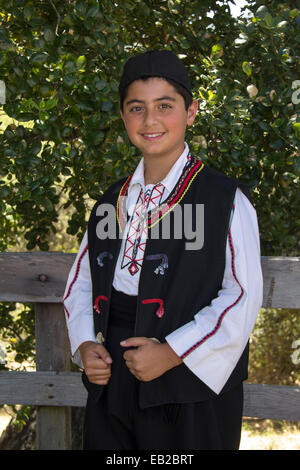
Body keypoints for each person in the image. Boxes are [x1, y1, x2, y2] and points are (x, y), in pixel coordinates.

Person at [63, 50, 263, 450]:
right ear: (123, 117)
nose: (150, 120)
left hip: (190, 380)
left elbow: (241, 296)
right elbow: (82, 281)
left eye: (165, 106)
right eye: (137, 108)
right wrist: (85, 343)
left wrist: (171, 352)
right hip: (113, 369)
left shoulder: (224, 199)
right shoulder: (111, 201)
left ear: (190, 113)